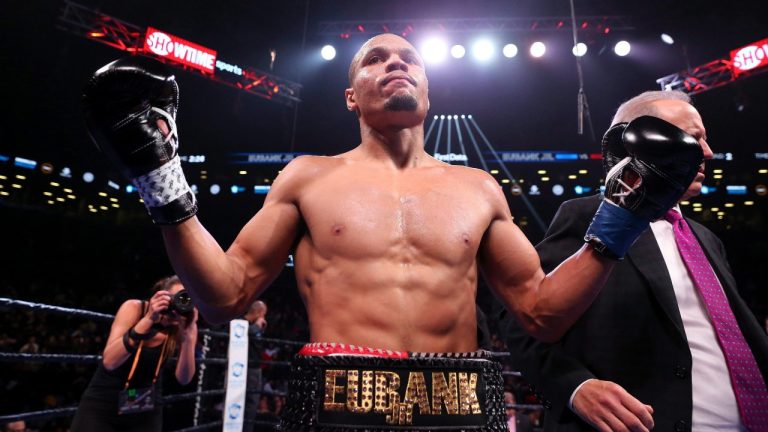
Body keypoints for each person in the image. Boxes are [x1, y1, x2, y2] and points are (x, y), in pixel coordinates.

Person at [81, 34, 702, 430]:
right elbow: (226, 295)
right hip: (337, 398)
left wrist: (621, 217)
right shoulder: (308, 178)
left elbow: (541, 312)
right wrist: (161, 180)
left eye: (407, 58)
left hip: (462, 400)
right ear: (352, 96)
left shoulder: (478, 188)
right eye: (374, 60)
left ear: (427, 90)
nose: (394, 63)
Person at [501, 90, 768, 432]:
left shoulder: (707, 238)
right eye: (694, 138)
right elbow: (523, 318)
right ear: (643, 142)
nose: (708, 152)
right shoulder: (584, 216)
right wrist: (574, 387)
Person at [70, 276, 198, 431]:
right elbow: (110, 362)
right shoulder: (134, 308)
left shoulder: (184, 326)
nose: (179, 304)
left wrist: (188, 337)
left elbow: (184, 379)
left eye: (185, 299)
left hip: (146, 405)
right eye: (176, 298)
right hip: (105, 400)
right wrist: (148, 319)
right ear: (162, 295)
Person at [242, 300, 268, 432]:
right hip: (247, 369)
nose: (264, 318)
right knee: (250, 403)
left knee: (252, 403)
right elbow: (242, 334)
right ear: (259, 313)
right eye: (264, 314)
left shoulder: (255, 326)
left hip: (254, 369)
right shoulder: (242, 323)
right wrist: (257, 327)